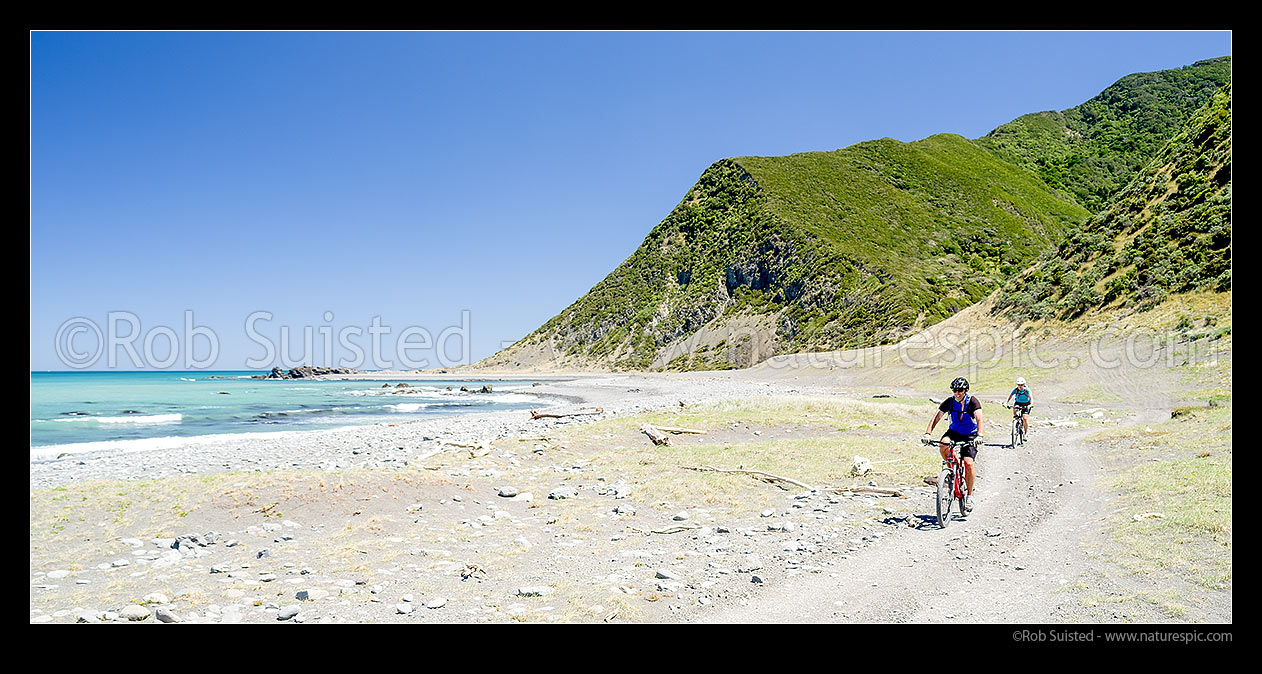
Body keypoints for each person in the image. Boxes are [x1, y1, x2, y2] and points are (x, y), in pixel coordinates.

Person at [924, 377, 983, 512]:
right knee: (943, 444)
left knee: (968, 463)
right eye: (954, 390)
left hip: (970, 435)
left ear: (966, 390)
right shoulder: (949, 402)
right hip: (954, 432)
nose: (957, 393)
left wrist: (979, 435)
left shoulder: (972, 401)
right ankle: (950, 470)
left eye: (960, 390)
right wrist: (927, 433)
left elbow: (979, 418)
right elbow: (936, 417)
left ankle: (969, 496)